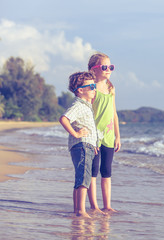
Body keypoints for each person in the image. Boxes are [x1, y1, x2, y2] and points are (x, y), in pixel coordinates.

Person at [59, 71, 99, 218]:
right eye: (92, 86)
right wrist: (76, 134)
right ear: (80, 90)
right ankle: (81, 210)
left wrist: (94, 144)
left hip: (85, 145)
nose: (95, 89)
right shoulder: (79, 105)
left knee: (81, 177)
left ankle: (77, 210)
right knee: (83, 178)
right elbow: (64, 119)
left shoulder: (86, 105)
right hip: (82, 145)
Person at [87, 52, 121, 213]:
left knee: (106, 172)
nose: (109, 70)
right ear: (94, 70)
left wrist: (117, 136)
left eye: (111, 67)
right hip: (93, 136)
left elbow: (114, 113)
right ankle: (94, 206)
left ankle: (107, 205)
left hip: (108, 136)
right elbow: (86, 112)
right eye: (105, 67)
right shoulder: (91, 88)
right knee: (93, 171)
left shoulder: (111, 88)